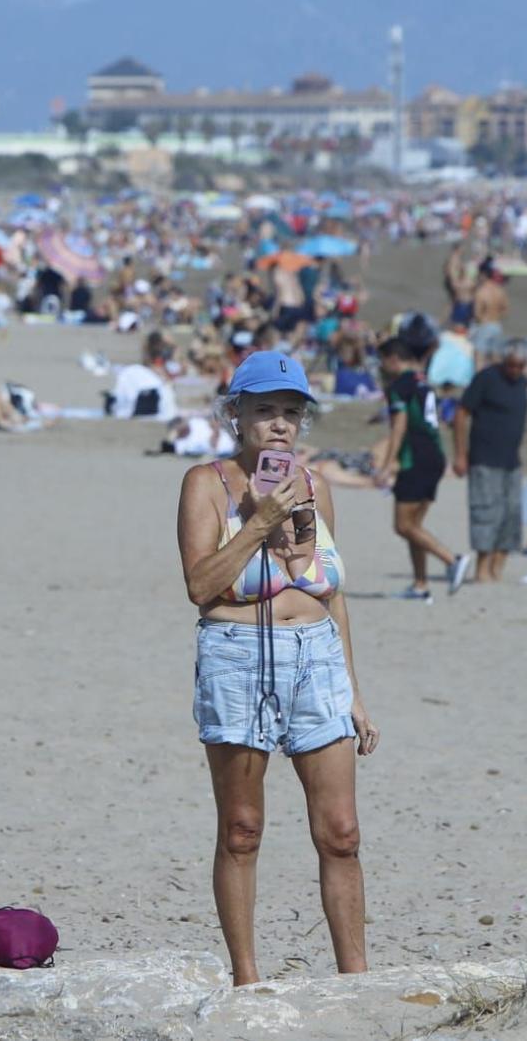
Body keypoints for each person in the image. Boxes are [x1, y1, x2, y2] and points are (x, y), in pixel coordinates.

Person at [174, 350, 374, 987]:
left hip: (315, 658)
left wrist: (354, 690)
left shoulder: (315, 487)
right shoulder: (206, 484)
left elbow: (331, 592)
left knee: (341, 832)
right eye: (265, 411)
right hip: (236, 659)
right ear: (237, 415)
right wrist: (257, 524)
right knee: (241, 828)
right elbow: (201, 585)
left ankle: (356, 980)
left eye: (292, 412)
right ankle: (247, 980)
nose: (280, 425)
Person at [372, 337, 468, 600]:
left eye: (382, 360)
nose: (381, 366)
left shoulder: (399, 386)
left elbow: (399, 426)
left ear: (393, 358)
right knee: (415, 525)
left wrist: (388, 463)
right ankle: (420, 584)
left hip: (415, 458)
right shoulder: (423, 382)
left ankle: (451, 559)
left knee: (403, 525)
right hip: (434, 455)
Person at [452, 337, 527, 583]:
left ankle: (498, 568)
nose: (515, 370)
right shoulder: (486, 378)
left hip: (512, 461)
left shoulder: (523, 384)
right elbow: (461, 413)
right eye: (511, 365)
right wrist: (460, 454)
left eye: (520, 366)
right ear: (504, 361)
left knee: (511, 515)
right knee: (486, 514)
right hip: (484, 458)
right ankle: (482, 569)